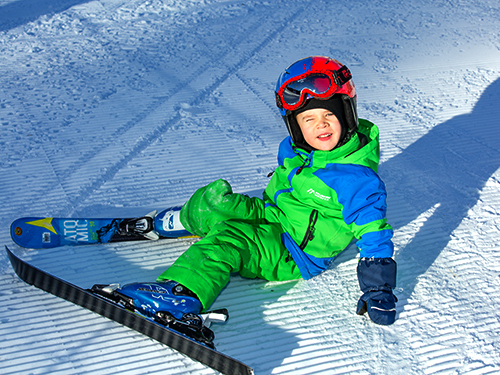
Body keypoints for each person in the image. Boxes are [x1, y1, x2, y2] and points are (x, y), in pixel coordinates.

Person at [97, 56, 398, 344]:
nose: (320, 125)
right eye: (309, 119)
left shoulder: (357, 181)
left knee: (229, 239)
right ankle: (165, 223)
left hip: (292, 251)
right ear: (295, 125)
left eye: (328, 115)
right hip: (273, 216)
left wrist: (378, 289)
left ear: (347, 113)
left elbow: (375, 236)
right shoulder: (297, 149)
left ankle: (181, 295)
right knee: (215, 199)